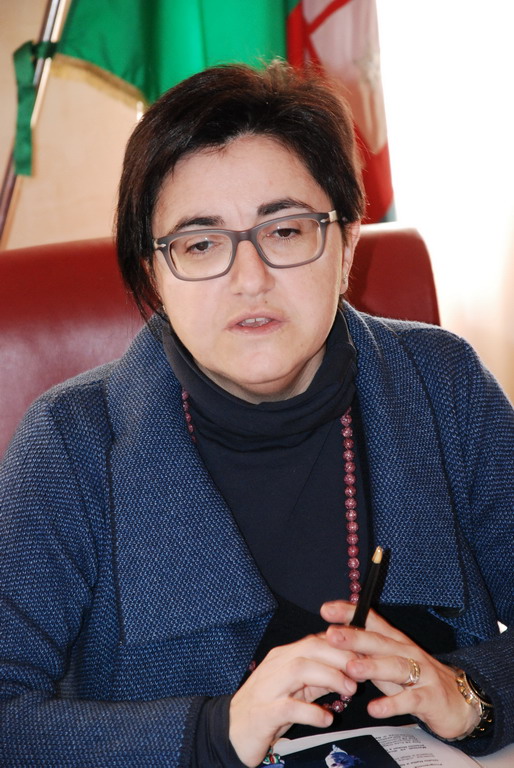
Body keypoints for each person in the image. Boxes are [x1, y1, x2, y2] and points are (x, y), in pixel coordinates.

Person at [0, 61, 513, 768]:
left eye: (286, 231)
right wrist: (211, 732)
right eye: (200, 244)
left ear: (347, 244)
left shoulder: (442, 383)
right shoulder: (69, 443)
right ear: (153, 273)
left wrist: (472, 693)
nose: (250, 279)